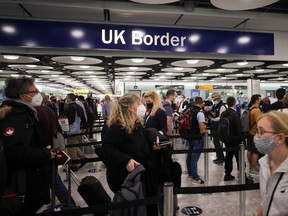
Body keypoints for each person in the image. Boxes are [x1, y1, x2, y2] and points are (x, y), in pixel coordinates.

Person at [0, 77, 57, 215]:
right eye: (35, 91)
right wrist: (45, 154)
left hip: (26, 181)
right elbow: (14, 152)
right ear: (23, 95)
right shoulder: (15, 117)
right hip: (19, 185)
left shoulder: (25, 113)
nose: (38, 94)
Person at [96, 93, 158, 215]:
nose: (142, 106)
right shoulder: (116, 126)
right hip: (126, 179)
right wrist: (125, 160)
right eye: (139, 103)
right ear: (130, 107)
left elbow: (138, 145)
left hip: (140, 175)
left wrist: (153, 146)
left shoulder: (136, 124)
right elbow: (106, 150)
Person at [35, 92, 76, 208]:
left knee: (53, 179)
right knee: (54, 177)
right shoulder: (49, 110)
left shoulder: (38, 112)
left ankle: (68, 203)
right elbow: (58, 128)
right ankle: (66, 202)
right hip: (53, 147)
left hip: (45, 150)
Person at [252, 111, 288, 216]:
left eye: (261, 132)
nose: (256, 137)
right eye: (257, 131)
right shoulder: (264, 164)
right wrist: (262, 210)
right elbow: (269, 198)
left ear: (280, 138)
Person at [220, 96, 244, 181]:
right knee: (239, 158)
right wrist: (242, 139)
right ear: (234, 103)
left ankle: (227, 174)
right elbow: (239, 128)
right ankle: (241, 175)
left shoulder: (223, 113)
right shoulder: (235, 114)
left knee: (228, 157)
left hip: (226, 139)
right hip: (235, 139)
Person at [65, 93, 87, 171]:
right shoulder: (78, 106)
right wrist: (84, 127)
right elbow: (83, 117)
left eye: (67, 98)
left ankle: (74, 165)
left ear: (70, 99)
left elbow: (70, 120)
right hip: (78, 129)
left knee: (71, 148)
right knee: (73, 145)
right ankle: (83, 158)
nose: (66, 99)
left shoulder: (70, 107)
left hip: (72, 131)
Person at [186, 97, 206, 184]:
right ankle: (195, 177)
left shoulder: (190, 111)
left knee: (190, 156)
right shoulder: (200, 113)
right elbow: (202, 128)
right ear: (201, 103)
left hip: (190, 137)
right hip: (197, 138)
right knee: (194, 158)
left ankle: (190, 173)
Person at [246, 94, 262, 178]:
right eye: (260, 99)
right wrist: (260, 133)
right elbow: (259, 123)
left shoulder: (250, 108)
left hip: (249, 132)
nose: (261, 100)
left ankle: (251, 167)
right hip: (255, 133)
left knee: (249, 150)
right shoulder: (257, 110)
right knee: (255, 152)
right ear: (256, 100)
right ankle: (253, 169)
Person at [208, 92, 226, 165]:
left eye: (215, 99)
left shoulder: (222, 106)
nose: (214, 100)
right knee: (216, 143)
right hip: (214, 127)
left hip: (219, 127)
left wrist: (212, 119)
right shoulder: (215, 106)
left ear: (218, 98)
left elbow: (221, 117)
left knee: (217, 143)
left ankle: (221, 158)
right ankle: (219, 157)